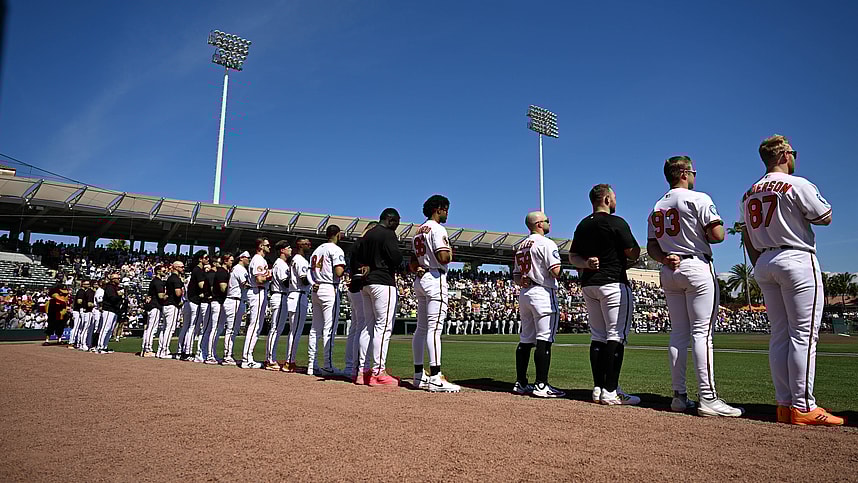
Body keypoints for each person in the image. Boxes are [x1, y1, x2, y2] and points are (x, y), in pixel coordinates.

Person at [741, 134, 842, 426]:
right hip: (796, 257)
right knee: (804, 335)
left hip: (764, 259)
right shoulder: (798, 183)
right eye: (793, 152)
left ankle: (784, 404)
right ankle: (803, 405)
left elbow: (747, 233)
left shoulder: (749, 192)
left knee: (780, 334)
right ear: (784, 154)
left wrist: (759, 260)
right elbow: (825, 216)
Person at [646, 156, 743, 417]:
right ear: (684, 173)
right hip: (696, 265)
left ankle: (679, 396)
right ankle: (708, 397)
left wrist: (665, 257)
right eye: (694, 172)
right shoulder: (698, 198)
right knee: (702, 333)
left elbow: (652, 245)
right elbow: (717, 235)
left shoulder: (657, 206)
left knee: (678, 333)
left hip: (669, 268)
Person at [569, 184, 641, 405]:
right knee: (615, 336)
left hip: (589, 284)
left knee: (598, 336)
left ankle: (599, 388)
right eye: (615, 197)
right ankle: (611, 391)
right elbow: (633, 251)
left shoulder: (583, 224)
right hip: (613, 283)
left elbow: (573, 257)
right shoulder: (616, 222)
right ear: (607, 199)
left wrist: (587, 263)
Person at [410, 194, 460, 392]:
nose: (447, 212)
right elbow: (443, 256)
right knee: (434, 329)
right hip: (435, 277)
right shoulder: (438, 229)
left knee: (421, 329)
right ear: (437, 208)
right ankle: (436, 376)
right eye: (445, 209)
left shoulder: (417, 231)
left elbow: (412, 261)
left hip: (421, 277)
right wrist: (451, 251)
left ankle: (418, 375)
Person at [511, 211, 564, 397]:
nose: (549, 223)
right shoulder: (546, 243)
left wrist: (523, 282)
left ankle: (521, 382)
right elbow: (556, 271)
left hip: (525, 293)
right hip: (542, 291)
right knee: (544, 339)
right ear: (539, 224)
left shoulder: (521, 245)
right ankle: (541, 384)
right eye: (547, 220)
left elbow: (516, 276)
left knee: (526, 339)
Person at [355, 208, 403, 386]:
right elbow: (396, 259)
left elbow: (357, 256)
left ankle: (362, 371)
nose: (397, 226)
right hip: (383, 281)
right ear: (390, 220)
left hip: (366, 283)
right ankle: (378, 372)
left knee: (368, 327)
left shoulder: (368, 234)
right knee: (383, 327)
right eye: (397, 222)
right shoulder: (387, 234)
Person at [308, 225, 347, 377]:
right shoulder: (336, 249)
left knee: (315, 328)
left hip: (317, 287)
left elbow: (309, 272)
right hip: (330, 288)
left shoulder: (317, 250)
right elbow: (338, 271)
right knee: (328, 328)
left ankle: (312, 365)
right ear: (338, 234)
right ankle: (328, 365)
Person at [344, 222, 377, 380]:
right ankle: (360, 368)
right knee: (363, 327)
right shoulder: (365, 243)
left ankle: (352, 367)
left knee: (356, 328)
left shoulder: (357, 243)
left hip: (354, 287)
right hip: (359, 287)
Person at [283, 238, 312, 373]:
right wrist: (315, 276)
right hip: (299, 295)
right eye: (307, 244)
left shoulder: (296, 259)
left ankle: (290, 361)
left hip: (295, 295)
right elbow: (304, 280)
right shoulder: (300, 260)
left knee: (294, 331)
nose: (309, 246)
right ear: (300, 245)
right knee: (296, 332)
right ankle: (289, 362)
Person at [242, 239, 271, 369]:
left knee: (257, 326)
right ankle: (246, 358)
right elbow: (259, 279)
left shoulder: (260, 260)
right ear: (260, 246)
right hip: (257, 291)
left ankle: (248, 356)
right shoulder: (258, 259)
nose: (269, 247)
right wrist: (271, 275)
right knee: (254, 326)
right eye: (267, 245)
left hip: (260, 292)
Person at [264, 241, 292, 370]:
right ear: (282, 250)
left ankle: (270, 358)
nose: (290, 249)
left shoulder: (282, 264)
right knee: (275, 328)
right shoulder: (280, 264)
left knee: (277, 328)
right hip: (279, 295)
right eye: (288, 248)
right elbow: (286, 282)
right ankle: (269, 359)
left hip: (281, 295)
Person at [179, 251, 208, 361]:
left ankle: (184, 351)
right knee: (193, 327)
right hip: (194, 301)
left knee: (191, 327)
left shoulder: (197, 270)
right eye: (205, 257)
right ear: (200, 259)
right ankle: (187, 352)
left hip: (191, 300)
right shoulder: (198, 270)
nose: (208, 259)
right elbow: (201, 285)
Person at [223, 252, 250, 365]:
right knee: (231, 329)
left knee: (233, 329)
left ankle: (229, 354)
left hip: (236, 300)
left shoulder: (237, 268)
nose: (249, 260)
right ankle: (227, 355)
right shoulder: (240, 269)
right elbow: (245, 284)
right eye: (247, 258)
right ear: (242, 258)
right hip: (234, 300)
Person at [206, 253, 232, 365]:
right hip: (217, 302)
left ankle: (213, 354)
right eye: (230, 260)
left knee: (218, 328)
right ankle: (210, 355)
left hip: (220, 302)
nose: (232, 262)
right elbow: (222, 288)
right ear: (225, 261)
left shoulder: (224, 272)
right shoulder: (221, 272)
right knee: (215, 328)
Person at [158, 261, 185, 359]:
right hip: (172, 305)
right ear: (176, 267)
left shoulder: (170, 278)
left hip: (166, 305)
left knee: (164, 328)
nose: (183, 268)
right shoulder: (176, 279)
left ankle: (160, 350)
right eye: (181, 267)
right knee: (170, 328)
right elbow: (178, 293)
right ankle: (164, 350)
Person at [141, 265, 167, 357]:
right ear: (158, 271)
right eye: (163, 270)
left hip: (152, 306)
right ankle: (147, 349)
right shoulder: (157, 282)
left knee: (149, 328)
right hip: (155, 306)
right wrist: (169, 295)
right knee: (152, 328)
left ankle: (145, 348)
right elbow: (161, 296)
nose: (165, 271)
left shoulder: (155, 281)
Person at [96, 273, 124, 354]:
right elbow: (112, 298)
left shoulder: (114, 287)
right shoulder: (109, 287)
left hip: (113, 310)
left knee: (110, 329)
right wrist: (119, 296)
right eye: (117, 278)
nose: (119, 279)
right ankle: (100, 347)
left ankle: (104, 346)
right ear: (113, 279)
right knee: (105, 328)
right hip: (108, 309)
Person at [193, 260, 215, 363]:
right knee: (205, 328)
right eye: (205, 267)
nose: (206, 269)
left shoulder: (207, 276)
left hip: (206, 302)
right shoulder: (208, 276)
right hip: (205, 303)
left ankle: (202, 352)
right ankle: (200, 352)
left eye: (208, 267)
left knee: (207, 328)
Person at [43, 280, 69, 345]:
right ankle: (47, 340)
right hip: (53, 313)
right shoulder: (54, 295)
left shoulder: (65, 295)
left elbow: (65, 301)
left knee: (61, 326)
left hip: (61, 313)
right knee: (50, 327)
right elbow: (57, 298)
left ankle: (59, 339)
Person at [68, 280, 89, 349]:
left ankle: (77, 342)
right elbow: (79, 301)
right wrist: (81, 310)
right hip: (77, 311)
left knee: (79, 327)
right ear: (83, 285)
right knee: (76, 327)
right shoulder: (81, 291)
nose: (88, 285)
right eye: (86, 284)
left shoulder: (82, 291)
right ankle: (71, 342)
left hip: (78, 310)